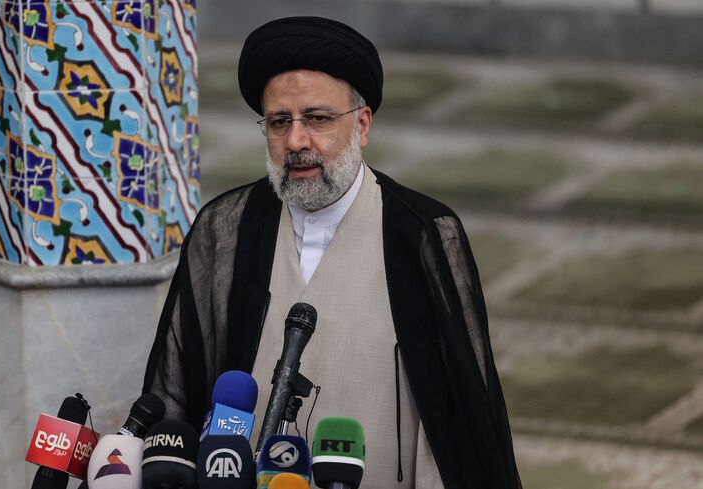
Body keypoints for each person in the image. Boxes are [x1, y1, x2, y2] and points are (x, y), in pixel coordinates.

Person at [142, 16, 521, 489]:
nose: (297, 141)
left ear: (362, 125)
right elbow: (177, 393)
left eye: (318, 118)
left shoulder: (423, 234)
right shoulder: (225, 228)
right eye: (280, 122)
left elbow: (461, 425)